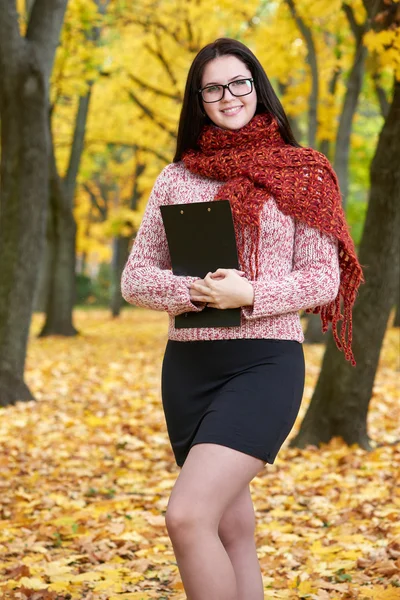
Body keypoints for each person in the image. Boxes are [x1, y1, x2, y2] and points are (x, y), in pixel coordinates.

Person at [121, 38, 363, 600]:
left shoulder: (306, 173)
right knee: (232, 526)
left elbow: (322, 280)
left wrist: (248, 293)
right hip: (188, 368)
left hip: (264, 363)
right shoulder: (176, 178)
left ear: (257, 87)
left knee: (186, 516)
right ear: (198, 99)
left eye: (239, 83)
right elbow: (135, 277)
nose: (228, 96)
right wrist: (198, 292)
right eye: (213, 88)